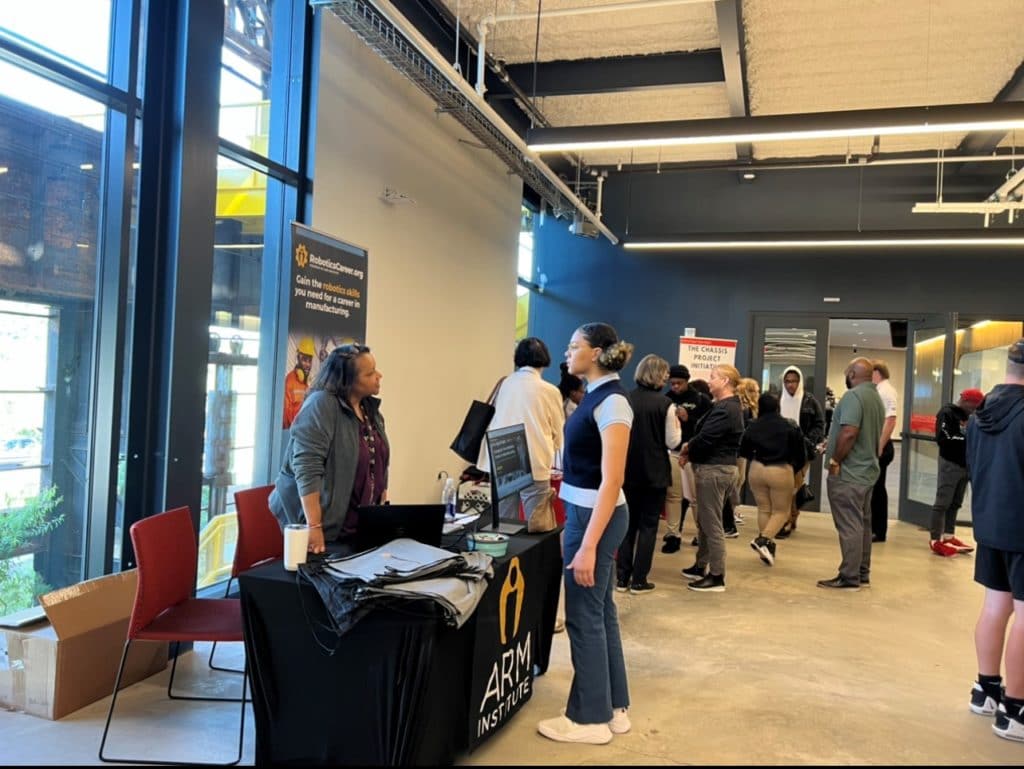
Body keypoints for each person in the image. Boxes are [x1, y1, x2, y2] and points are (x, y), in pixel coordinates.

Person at [537, 322, 634, 745]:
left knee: (582, 616)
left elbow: (611, 481)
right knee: (600, 612)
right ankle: (613, 706)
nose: (567, 351)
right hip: (586, 513)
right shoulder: (597, 396)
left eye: (575, 345)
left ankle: (589, 719)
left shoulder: (612, 403)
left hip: (597, 516)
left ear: (595, 353)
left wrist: (588, 544)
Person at [269, 344, 388, 554]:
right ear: (348, 380)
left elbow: (377, 458)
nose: (379, 376)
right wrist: (313, 526)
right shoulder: (321, 405)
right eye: (370, 373)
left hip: (355, 528)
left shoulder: (369, 408)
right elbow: (307, 467)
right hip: (320, 530)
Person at [965, 338, 1024, 741]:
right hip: (1021, 527)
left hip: (988, 524)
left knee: (995, 606)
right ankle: (1016, 710)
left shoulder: (980, 412)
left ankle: (986, 690)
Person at [478, 337, 564, 531]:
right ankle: (533, 560)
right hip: (535, 460)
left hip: (503, 458)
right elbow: (558, 431)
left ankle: (506, 558)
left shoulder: (505, 384)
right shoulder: (550, 391)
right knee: (537, 522)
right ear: (545, 359)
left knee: (504, 522)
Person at [817, 357, 884, 591]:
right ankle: (861, 572)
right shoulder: (875, 397)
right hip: (866, 472)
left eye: (847, 373)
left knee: (849, 525)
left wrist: (835, 459)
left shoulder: (853, 396)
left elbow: (849, 432)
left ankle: (848, 577)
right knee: (862, 525)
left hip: (849, 473)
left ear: (853, 375)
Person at [616, 354, 680, 593]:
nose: (666, 378)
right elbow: (672, 442)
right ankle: (640, 580)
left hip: (626, 470)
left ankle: (621, 578)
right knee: (649, 526)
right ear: (657, 375)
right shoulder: (666, 405)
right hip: (655, 472)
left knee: (626, 525)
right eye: (664, 374)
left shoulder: (625, 399)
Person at [679, 364, 744, 593]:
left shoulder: (727, 409)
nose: (709, 381)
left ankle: (717, 575)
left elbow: (706, 438)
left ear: (725, 381)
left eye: (713, 377)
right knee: (707, 521)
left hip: (714, 470)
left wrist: (687, 447)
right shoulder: (726, 406)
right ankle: (701, 565)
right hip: (716, 468)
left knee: (711, 523)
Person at [741, 393, 807, 567]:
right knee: (781, 512)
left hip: (756, 469)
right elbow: (801, 455)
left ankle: (766, 549)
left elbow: (743, 450)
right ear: (778, 407)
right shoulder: (790, 426)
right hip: (780, 470)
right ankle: (763, 540)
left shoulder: (752, 426)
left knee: (764, 509)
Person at [928, 388, 984, 557]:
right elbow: (944, 437)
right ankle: (935, 539)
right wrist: (968, 440)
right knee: (942, 502)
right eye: (974, 406)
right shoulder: (947, 413)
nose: (975, 410)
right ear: (965, 401)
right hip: (950, 464)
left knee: (955, 503)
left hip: (966, 465)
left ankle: (949, 536)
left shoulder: (971, 417)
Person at [661, 364, 711, 553]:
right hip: (672, 452)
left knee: (696, 498)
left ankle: (701, 534)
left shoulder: (701, 400)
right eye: (672, 383)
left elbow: (708, 427)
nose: (675, 387)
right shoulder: (666, 400)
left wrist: (688, 417)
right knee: (673, 496)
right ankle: (673, 534)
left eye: (679, 383)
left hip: (693, 453)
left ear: (687, 381)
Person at [777, 365, 826, 539]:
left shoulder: (809, 401)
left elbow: (819, 424)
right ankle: (789, 518)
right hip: (781, 451)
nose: (791, 385)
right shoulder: (778, 400)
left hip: (802, 452)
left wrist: (808, 441)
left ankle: (789, 519)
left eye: (794, 381)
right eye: (787, 381)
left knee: (794, 487)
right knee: (785, 487)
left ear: (800, 382)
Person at [870, 359, 899, 542]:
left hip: (881, 446)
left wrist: (879, 446)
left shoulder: (885, 391)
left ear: (876, 372)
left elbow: (891, 420)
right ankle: (875, 527)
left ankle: (879, 530)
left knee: (877, 489)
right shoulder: (881, 390)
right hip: (878, 445)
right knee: (875, 488)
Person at [282, 336, 316, 428]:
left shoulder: (308, 382)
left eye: (310, 361)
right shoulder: (289, 381)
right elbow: (285, 418)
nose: (308, 365)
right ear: (298, 358)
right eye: (304, 360)